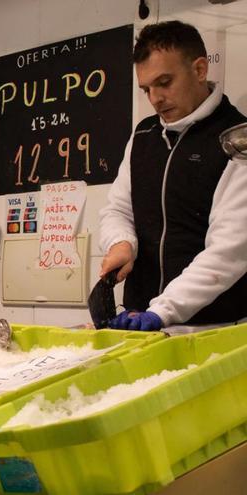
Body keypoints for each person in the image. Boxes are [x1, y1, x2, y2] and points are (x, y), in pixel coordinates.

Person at [98, 20, 247, 332]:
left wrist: (163, 311)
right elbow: (119, 208)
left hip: (214, 326)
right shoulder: (143, 135)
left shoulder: (237, 140)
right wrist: (120, 243)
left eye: (164, 82)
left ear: (200, 69)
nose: (155, 99)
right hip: (139, 321)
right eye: (146, 89)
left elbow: (230, 249)